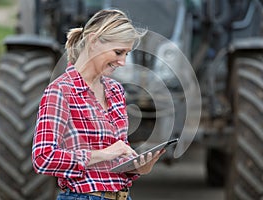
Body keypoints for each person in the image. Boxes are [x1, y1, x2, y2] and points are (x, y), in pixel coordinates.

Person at [32, 9, 165, 200]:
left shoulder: (115, 91)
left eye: (127, 54)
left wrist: (138, 168)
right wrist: (103, 154)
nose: (123, 62)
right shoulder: (61, 91)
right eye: (118, 52)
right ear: (93, 41)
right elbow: (43, 158)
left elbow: (116, 156)